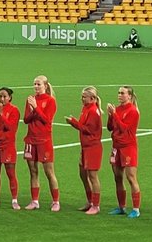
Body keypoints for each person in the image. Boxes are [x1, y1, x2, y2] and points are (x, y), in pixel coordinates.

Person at [22, 75, 60, 211]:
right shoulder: (30, 100)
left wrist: (36, 107)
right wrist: (33, 109)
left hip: (44, 141)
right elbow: (26, 119)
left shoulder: (50, 101)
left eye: (39, 84)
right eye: (35, 84)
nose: (36, 87)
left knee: (49, 172)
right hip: (31, 139)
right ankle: (34, 201)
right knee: (33, 171)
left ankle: (56, 201)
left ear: (45, 85)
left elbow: (47, 120)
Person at [66, 86, 103, 215]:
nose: (81, 99)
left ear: (92, 98)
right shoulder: (86, 108)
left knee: (92, 176)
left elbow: (89, 130)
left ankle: (96, 205)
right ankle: (90, 201)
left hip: (93, 147)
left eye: (84, 97)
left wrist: (73, 123)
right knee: (82, 174)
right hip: (85, 147)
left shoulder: (93, 111)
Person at [107, 85, 142, 218]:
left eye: (122, 93)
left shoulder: (133, 111)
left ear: (130, 96)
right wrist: (111, 115)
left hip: (128, 147)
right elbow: (110, 127)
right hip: (116, 147)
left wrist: (114, 114)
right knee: (117, 177)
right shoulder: (117, 109)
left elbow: (124, 129)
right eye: (119, 93)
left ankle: (136, 209)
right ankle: (121, 207)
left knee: (131, 178)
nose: (119, 95)